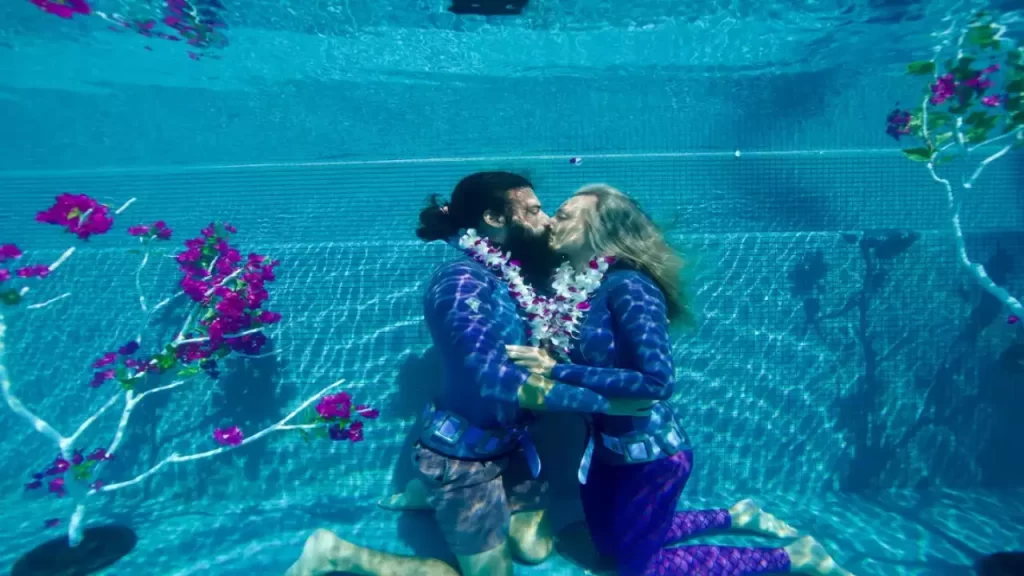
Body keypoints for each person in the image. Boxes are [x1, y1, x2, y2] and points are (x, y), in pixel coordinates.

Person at [285, 173, 655, 576]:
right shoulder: (459, 285)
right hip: (459, 457)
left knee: (535, 550)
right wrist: (604, 402)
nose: (547, 219)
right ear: (495, 218)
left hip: (509, 449)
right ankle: (336, 551)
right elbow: (493, 381)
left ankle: (426, 496)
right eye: (533, 210)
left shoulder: (515, 279)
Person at [506, 184, 854, 576]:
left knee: (639, 569)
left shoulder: (630, 287)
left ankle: (796, 558)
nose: (552, 220)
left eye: (565, 214)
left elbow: (656, 381)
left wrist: (555, 369)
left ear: (599, 230)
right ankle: (735, 515)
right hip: (606, 449)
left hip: (652, 456)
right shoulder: (583, 286)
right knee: (605, 545)